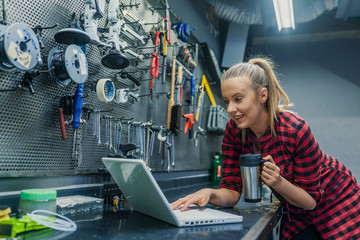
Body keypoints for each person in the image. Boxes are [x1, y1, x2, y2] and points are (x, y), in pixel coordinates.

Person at [170, 57, 360, 239]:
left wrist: (278, 183)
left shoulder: (294, 129)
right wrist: (209, 193)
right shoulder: (234, 131)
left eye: (238, 99)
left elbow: (310, 202)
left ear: (262, 95)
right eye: (227, 101)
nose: (230, 109)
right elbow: (232, 191)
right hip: (296, 209)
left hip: (336, 199)